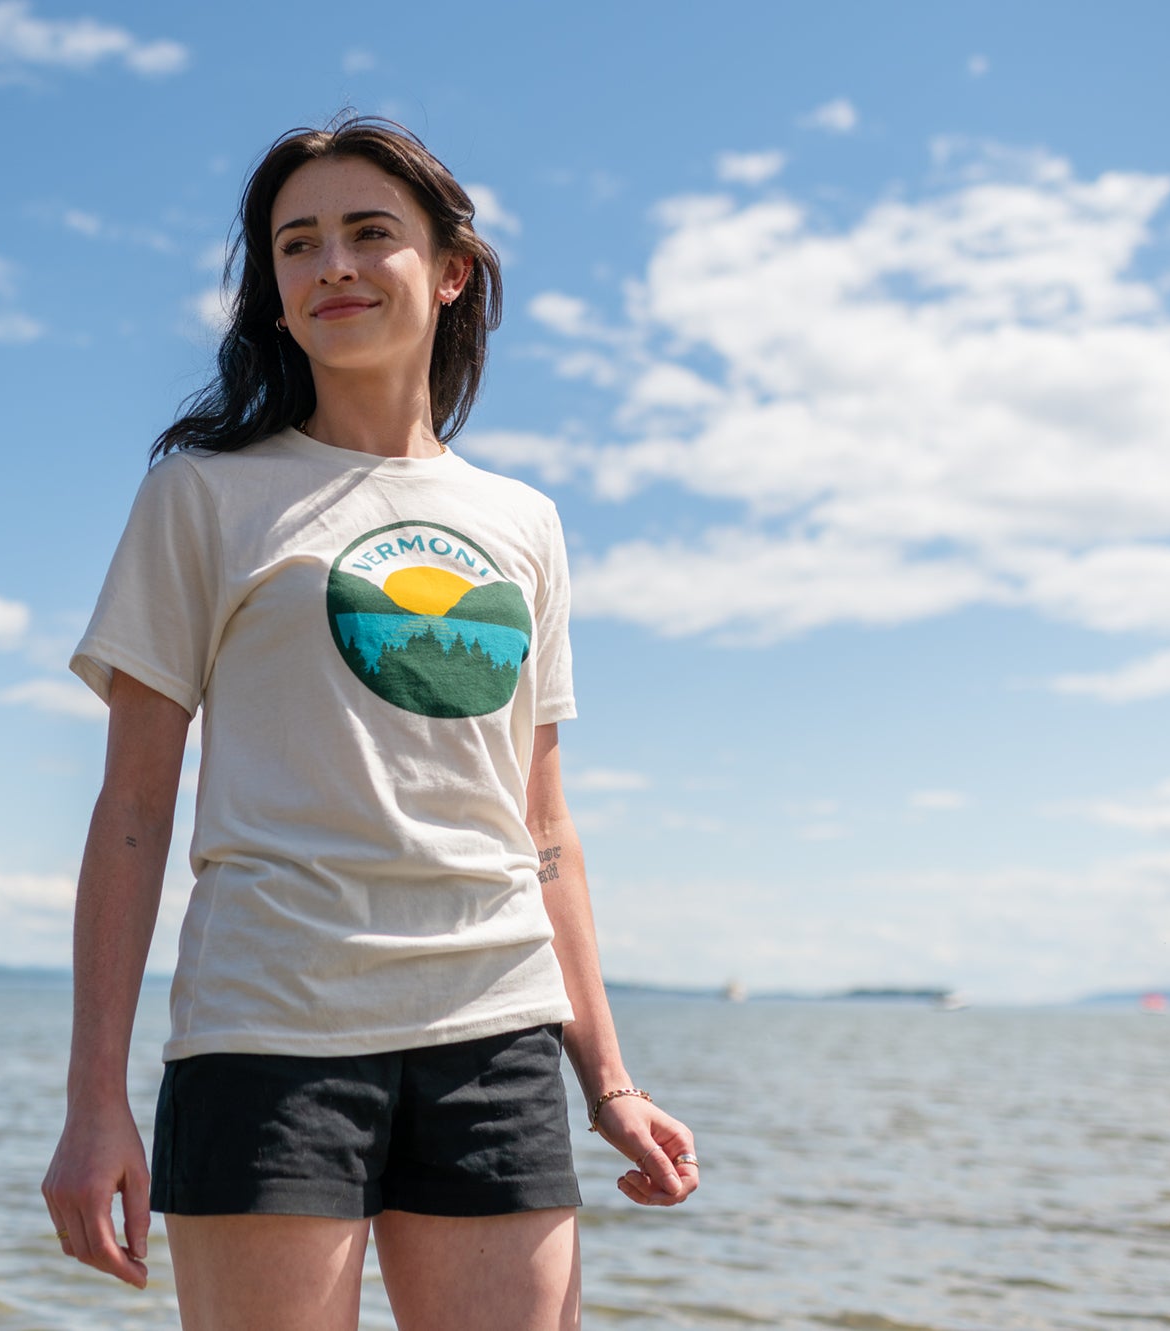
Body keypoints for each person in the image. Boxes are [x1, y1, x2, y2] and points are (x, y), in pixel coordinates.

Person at [42, 114, 698, 1331]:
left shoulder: (523, 521)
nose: (330, 265)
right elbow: (132, 810)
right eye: (296, 246)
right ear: (273, 293)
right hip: (270, 1030)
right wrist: (94, 1102)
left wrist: (606, 1082)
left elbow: (541, 826)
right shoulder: (202, 495)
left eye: (367, 233)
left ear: (449, 271)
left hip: (493, 1031)